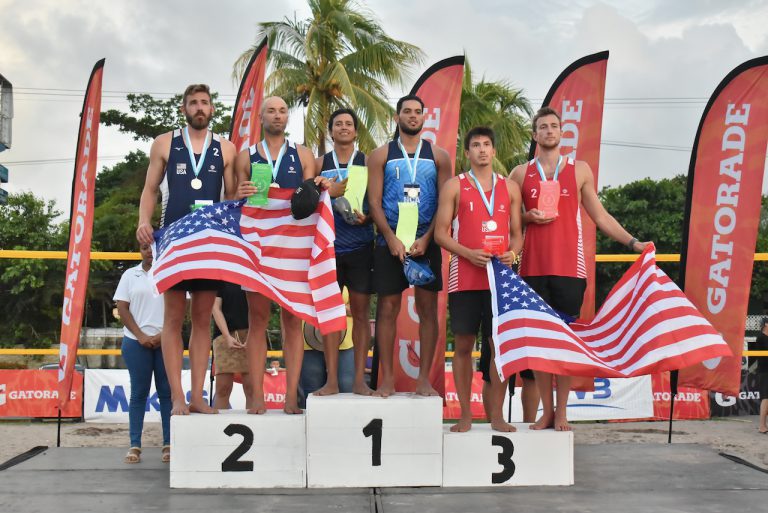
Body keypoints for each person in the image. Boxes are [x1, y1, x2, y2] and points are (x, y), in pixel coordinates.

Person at [510, 106, 649, 431]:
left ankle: (562, 413)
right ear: (535, 135)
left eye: (553, 126)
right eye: (542, 127)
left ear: (561, 132)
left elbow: (600, 217)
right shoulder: (520, 173)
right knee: (542, 345)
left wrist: (633, 243)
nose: (548, 131)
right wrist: (526, 218)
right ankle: (547, 411)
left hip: (570, 270)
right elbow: (509, 221)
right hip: (530, 269)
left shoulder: (579, 169)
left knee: (567, 343)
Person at [136, 84, 237, 415]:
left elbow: (233, 198)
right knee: (173, 318)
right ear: (184, 109)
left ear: (211, 109)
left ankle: (196, 396)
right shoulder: (164, 143)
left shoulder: (227, 148)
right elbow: (150, 190)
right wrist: (142, 222)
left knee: (202, 320)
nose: (199, 107)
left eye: (204, 102)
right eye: (193, 102)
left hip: (210, 241)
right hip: (173, 240)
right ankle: (178, 397)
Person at [234, 96, 328, 414]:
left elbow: (312, 197)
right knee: (257, 320)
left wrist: (325, 187)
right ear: (260, 117)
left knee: (292, 322)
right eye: (271, 110)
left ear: (288, 117)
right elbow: (232, 199)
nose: (278, 115)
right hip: (258, 247)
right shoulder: (245, 156)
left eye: (283, 110)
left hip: (293, 249)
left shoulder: (303, 154)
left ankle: (291, 397)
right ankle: (257, 395)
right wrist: (238, 193)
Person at [434, 127, 523, 432]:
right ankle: (465, 415)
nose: (482, 150)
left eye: (487, 144)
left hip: (499, 280)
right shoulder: (454, 187)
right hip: (465, 277)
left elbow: (516, 234)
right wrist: (468, 254)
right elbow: (440, 234)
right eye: (476, 145)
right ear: (467, 152)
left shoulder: (510, 187)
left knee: (499, 347)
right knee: (462, 345)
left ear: (494, 151)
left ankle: (496, 415)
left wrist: (514, 254)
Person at [367, 94, 452, 397]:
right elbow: (374, 203)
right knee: (387, 309)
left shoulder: (439, 156)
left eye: (418, 112)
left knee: (428, 310)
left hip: (425, 242)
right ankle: (387, 378)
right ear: (397, 117)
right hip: (390, 241)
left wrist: (427, 238)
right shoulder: (380, 155)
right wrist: (390, 238)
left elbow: (446, 204)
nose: (413, 116)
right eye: (407, 112)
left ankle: (423, 379)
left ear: (424, 118)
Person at [312, 108, 374, 396]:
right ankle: (332, 380)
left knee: (360, 315)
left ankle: (360, 380)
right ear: (331, 131)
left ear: (355, 131)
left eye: (349, 123)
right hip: (328, 249)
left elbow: (378, 201)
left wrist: (369, 218)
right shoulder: (319, 163)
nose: (344, 128)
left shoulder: (367, 162)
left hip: (361, 247)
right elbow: (307, 202)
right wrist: (324, 191)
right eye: (338, 124)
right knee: (331, 315)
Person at [114, 242, 170, 464]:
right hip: (135, 341)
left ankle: (168, 444)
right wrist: (140, 336)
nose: (148, 251)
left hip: (165, 341)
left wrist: (164, 334)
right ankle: (135, 444)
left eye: (152, 247)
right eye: (144, 247)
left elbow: (181, 308)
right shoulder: (130, 274)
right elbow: (122, 307)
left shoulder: (170, 269)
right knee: (138, 394)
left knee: (166, 393)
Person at [300, 287, 359, 406]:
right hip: (309, 342)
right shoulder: (300, 273)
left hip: (344, 343)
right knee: (312, 393)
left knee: (346, 389)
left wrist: (335, 308)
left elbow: (360, 310)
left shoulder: (346, 274)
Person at [211, 282, 253, 410]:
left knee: (252, 388)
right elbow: (215, 308)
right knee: (223, 388)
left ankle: (253, 425)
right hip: (224, 336)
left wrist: (252, 335)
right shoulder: (221, 277)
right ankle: (218, 427)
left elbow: (259, 310)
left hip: (251, 334)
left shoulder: (252, 276)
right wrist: (227, 336)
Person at [756, 317, 768, 434]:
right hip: (764, 372)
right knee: (766, 398)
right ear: (765, 324)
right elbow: (761, 358)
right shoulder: (760, 338)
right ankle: (762, 426)